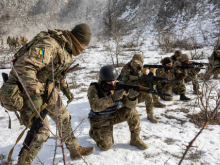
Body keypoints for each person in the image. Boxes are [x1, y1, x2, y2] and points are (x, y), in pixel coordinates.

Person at [4, 23, 94, 164]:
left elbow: (54, 70)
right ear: (78, 40)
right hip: (25, 90)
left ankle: (75, 150)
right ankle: (23, 162)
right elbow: (24, 66)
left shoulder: (65, 47)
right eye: (84, 44)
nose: (84, 48)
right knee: (41, 130)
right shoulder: (49, 45)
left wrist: (65, 89)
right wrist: (35, 98)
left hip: (43, 88)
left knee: (63, 116)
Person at [88, 65, 148, 151]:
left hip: (113, 116)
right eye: (109, 82)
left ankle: (135, 138)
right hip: (99, 120)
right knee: (106, 146)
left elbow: (130, 105)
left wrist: (132, 98)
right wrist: (112, 98)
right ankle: (93, 133)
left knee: (131, 111)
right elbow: (95, 107)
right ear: (102, 80)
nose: (113, 83)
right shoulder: (94, 88)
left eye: (114, 80)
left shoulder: (118, 86)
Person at [121, 54, 160, 123]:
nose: (139, 69)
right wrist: (138, 82)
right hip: (129, 97)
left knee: (148, 92)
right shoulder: (127, 72)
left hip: (138, 95)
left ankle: (150, 114)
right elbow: (124, 86)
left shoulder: (141, 70)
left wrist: (151, 77)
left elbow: (147, 83)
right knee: (126, 112)